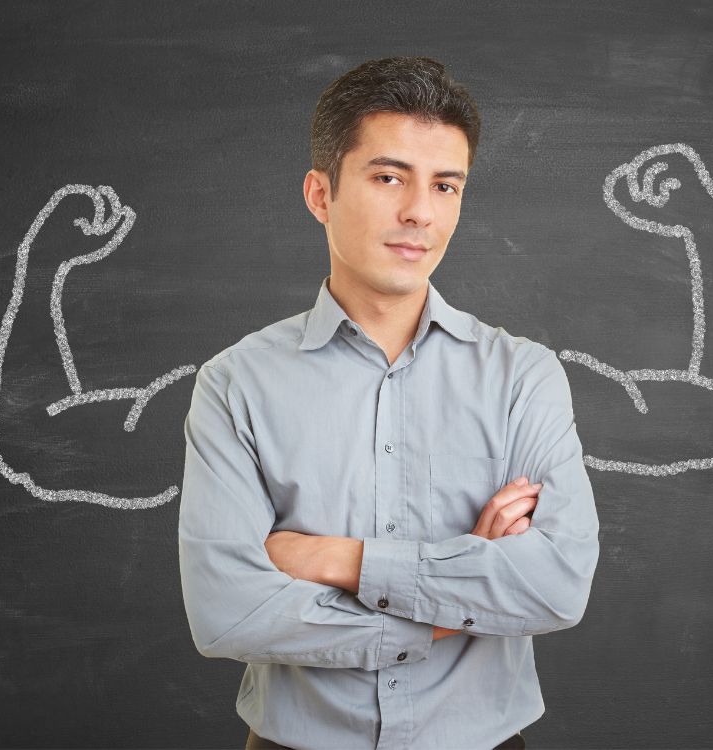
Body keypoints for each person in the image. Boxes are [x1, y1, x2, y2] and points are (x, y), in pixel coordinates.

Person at [178, 56, 600, 750]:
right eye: (387, 177)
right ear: (321, 194)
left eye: (445, 185)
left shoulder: (524, 376)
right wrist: (451, 602)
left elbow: (555, 587)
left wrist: (338, 560)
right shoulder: (236, 384)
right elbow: (228, 613)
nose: (419, 212)